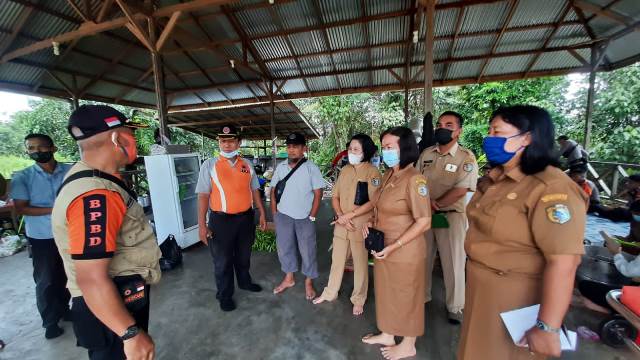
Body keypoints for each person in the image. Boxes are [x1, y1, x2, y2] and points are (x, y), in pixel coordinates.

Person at [458, 105, 588, 359]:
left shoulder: (550, 187)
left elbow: (564, 262)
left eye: (497, 131)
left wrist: (547, 327)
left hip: (515, 297)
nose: (489, 137)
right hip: (480, 287)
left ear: (527, 138)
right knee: (473, 350)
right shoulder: (496, 179)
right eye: (489, 130)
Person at [52, 105, 161, 360]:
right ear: (117, 138)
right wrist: (130, 334)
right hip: (110, 310)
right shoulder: (96, 194)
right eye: (131, 134)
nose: (134, 141)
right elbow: (91, 277)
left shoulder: (95, 178)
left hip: (119, 298)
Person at [339, 126, 431, 360]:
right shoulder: (391, 174)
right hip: (383, 247)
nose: (386, 151)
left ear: (405, 148)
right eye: (384, 147)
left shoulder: (414, 179)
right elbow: (378, 205)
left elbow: (424, 222)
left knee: (407, 296)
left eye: (390, 147)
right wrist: (370, 221)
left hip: (404, 250)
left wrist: (395, 245)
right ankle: (388, 334)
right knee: (387, 293)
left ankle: (408, 344)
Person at [195, 124, 267, 312]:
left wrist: (261, 212)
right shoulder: (209, 165)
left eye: (231, 141)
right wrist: (202, 225)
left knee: (244, 255)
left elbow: (254, 190)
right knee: (222, 260)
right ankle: (224, 295)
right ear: (219, 142)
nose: (226, 145)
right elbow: (203, 195)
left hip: (245, 219)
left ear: (238, 142)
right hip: (221, 221)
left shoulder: (247, 165)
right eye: (223, 141)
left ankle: (244, 282)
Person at [417, 111, 478, 324]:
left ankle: (455, 306)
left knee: (453, 262)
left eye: (449, 125)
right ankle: (422, 296)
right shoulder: (426, 154)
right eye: (440, 124)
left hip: (451, 217)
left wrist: (436, 204)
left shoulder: (466, 158)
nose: (442, 128)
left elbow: (461, 189)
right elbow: (416, 181)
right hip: (425, 216)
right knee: (422, 259)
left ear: (459, 131)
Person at [9, 133, 72, 339]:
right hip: (41, 236)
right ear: (27, 151)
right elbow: (21, 208)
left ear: (53, 148)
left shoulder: (70, 171)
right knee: (46, 279)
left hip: (69, 233)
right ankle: (50, 321)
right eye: (31, 148)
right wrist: (56, 209)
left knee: (66, 274)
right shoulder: (23, 177)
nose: (37, 152)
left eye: (41, 147)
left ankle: (64, 310)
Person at [313, 134, 381, 316]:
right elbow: (334, 196)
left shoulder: (373, 172)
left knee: (360, 264)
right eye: (350, 149)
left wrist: (350, 215)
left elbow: (374, 201)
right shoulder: (345, 170)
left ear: (365, 151)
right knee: (337, 261)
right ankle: (330, 293)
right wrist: (341, 215)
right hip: (341, 224)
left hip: (360, 225)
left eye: (355, 149)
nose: (351, 152)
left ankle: (359, 299)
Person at [271, 132, 325, 300]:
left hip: (304, 217)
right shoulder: (281, 168)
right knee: (284, 248)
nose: (291, 150)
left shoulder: (311, 168)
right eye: (289, 147)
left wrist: (312, 216)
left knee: (307, 250)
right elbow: (273, 190)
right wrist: (274, 212)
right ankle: (289, 278)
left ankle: (308, 281)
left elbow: (318, 193)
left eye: (295, 147)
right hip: (283, 215)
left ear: (304, 149)